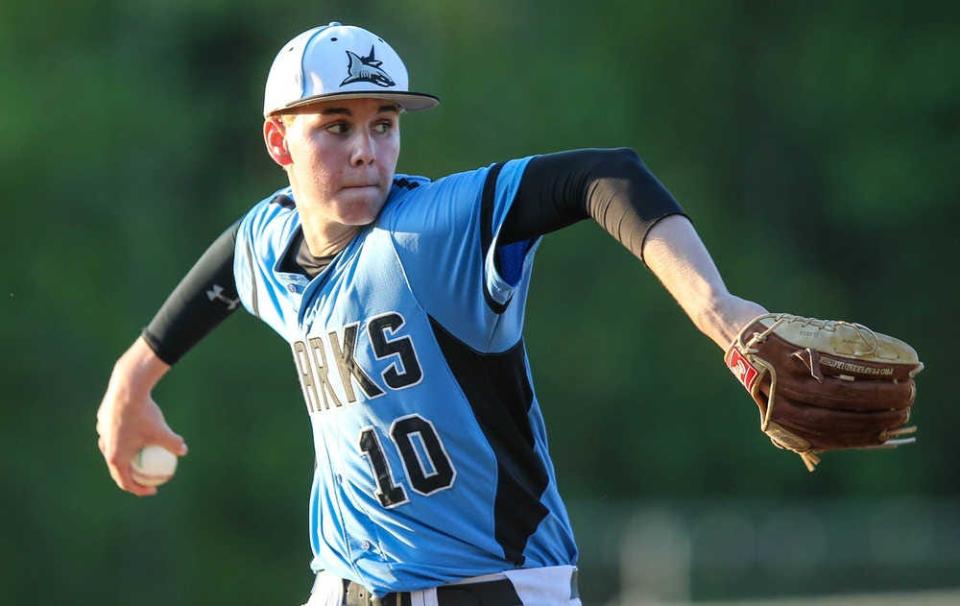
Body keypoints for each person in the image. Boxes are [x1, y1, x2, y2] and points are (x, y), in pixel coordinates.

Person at [96, 22, 770, 606]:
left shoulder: (431, 233)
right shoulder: (274, 244)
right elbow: (230, 265)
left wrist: (721, 308)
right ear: (279, 143)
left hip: (491, 587)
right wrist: (133, 380)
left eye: (383, 125)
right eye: (336, 127)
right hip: (342, 587)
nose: (366, 149)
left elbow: (602, 175)